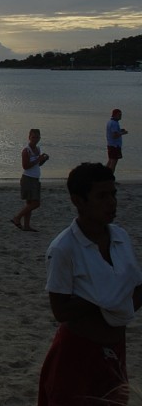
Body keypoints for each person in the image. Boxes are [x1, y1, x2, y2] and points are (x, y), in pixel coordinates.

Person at [38, 162, 142, 405]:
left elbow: (136, 288)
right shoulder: (63, 248)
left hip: (116, 350)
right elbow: (60, 310)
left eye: (113, 194)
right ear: (78, 201)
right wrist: (108, 298)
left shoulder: (120, 237)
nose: (112, 203)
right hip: (77, 354)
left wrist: (114, 301)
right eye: (102, 196)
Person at [11, 129, 49, 232]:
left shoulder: (38, 149)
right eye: (33, 137)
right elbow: (25, 166)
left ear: (39, 138)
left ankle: (27, 226)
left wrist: (43, 160)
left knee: (29, 203)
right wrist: (38, 159)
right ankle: (17, 217)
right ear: (29, 137)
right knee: (36, 203)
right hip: (28, 179)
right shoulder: (26, 150)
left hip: (35, 178)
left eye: (37, 137)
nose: (35, 139)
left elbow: (38, 164)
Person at [106, 109, 128, 174]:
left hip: (111, 145)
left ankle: (104, 175)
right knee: (113, 162)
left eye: (121, 114)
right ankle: (110, 177)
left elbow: (113, 132)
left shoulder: (111, 122)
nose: (121, 116)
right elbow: (114, 136)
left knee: (110, 161)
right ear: (115, 115)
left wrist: (120, 130)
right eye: (119, 115)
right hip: (115, 146)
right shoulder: (114, 123)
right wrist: (123, 133)